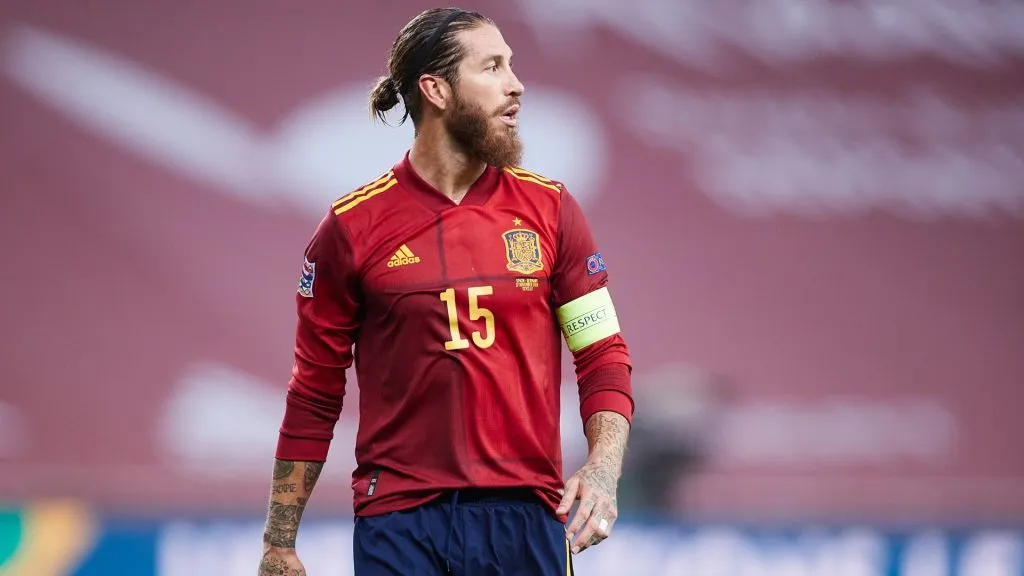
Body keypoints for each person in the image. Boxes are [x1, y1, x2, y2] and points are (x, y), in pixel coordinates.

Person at [257, 7, 634, 576]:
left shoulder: (552, 210)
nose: (516, 84)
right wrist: (279, 543)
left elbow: (602, 353)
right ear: (434, 89)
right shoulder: (351, 228)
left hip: (526, 516)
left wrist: (603, 470)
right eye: (493, 67)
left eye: (513, 66)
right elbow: (314, 393)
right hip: (400, 521)